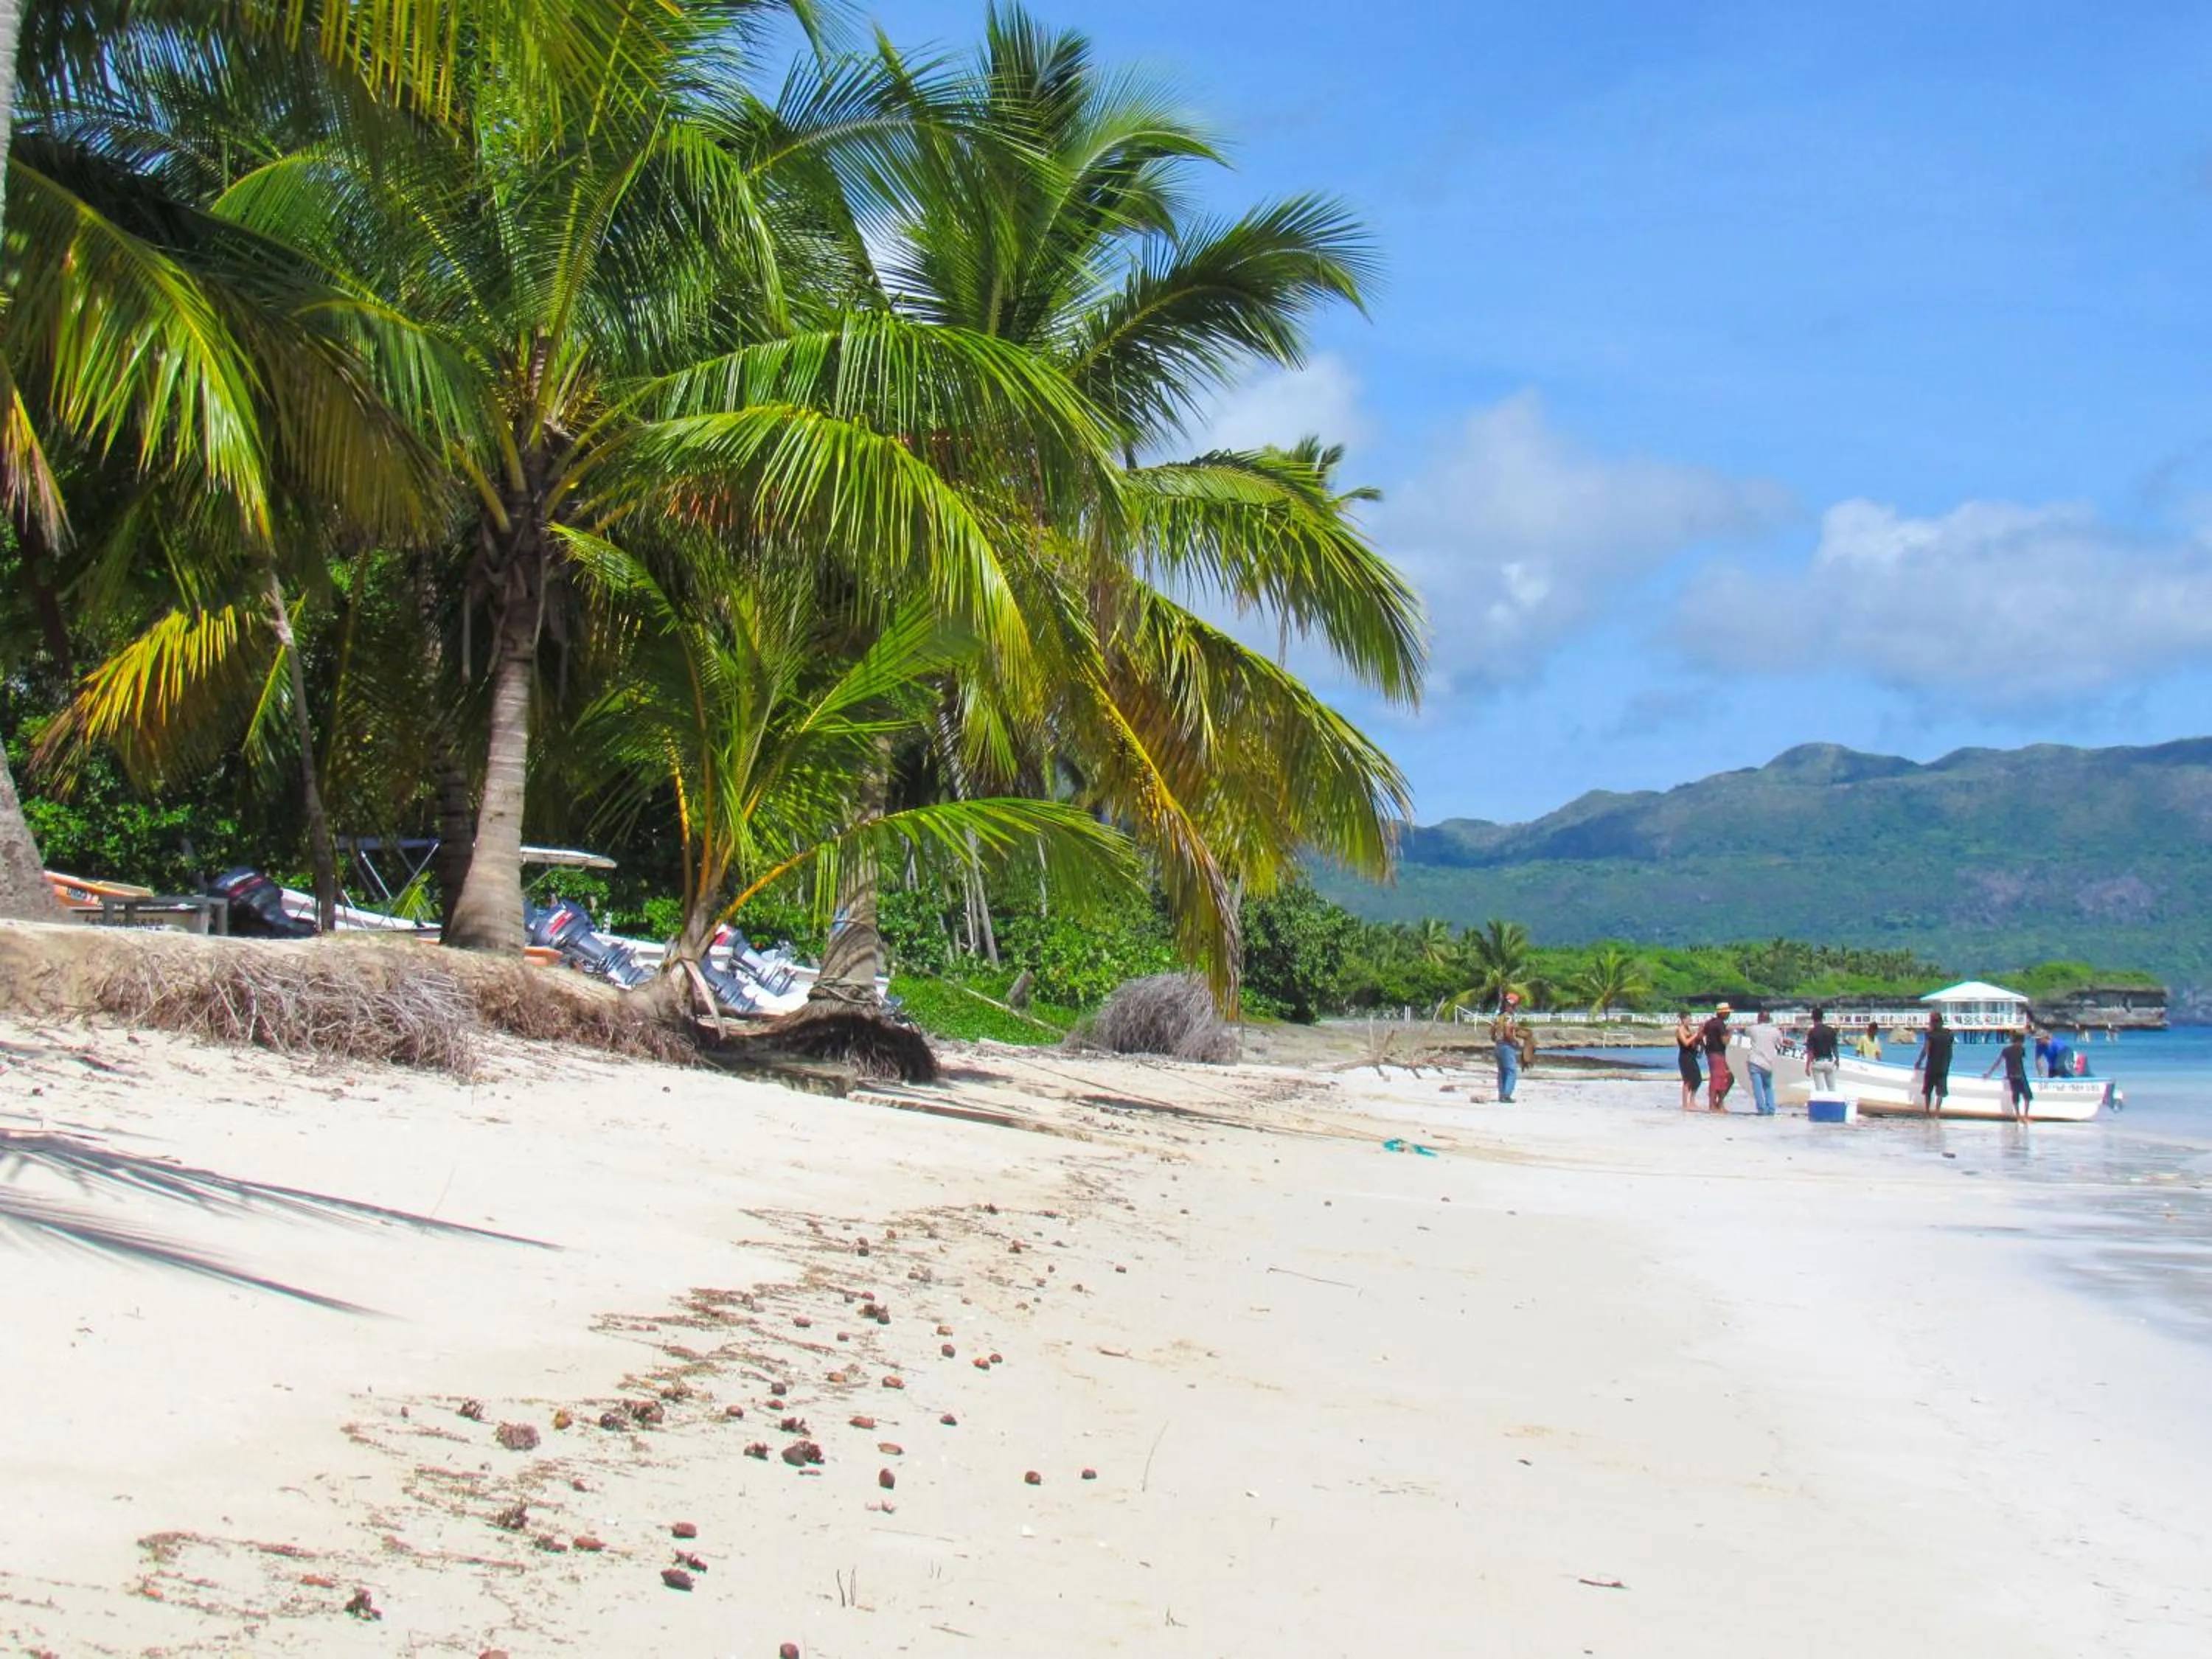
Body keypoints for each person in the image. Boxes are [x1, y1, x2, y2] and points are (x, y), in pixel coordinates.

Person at [1490, 992, 1531, 1103]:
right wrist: (1515, 1042)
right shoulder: (1508, 1017)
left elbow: (1492, 1031)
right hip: (1506, 1045)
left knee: (1502, 1071)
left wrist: (1495, 1039)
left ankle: (1502, 1094)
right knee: (1511, 1070)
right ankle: (1506, 1095)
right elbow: (1508, 1032)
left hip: (1498, 1045)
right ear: (1512, 1005)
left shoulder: (1498, 1016)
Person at [1984, 1027, 2033, 1121]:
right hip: (2020, 1074)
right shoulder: (2021, 1049)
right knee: (2027, 1096)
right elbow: (2021, 1060)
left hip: (2011, 1075)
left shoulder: (2006, 1050)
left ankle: (2018, 1116)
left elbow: (1998, 1062)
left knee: (2016, 1095)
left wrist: (1989, 1073)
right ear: (2021, 1041)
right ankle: (2026, 1116)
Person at [1913, 1009, 1955, 1114]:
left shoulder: (1930, 1034)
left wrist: (1919, 1061)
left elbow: (1926, 1050)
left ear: (1933, 1022)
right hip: (1944, 1066)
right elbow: (1951, 1052)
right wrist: (1948, 1063)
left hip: (1932, 1066)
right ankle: (1937, 1112)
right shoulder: (1949, 1034)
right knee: (1940, 1092)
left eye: (1932, 1021)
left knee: (1928, 1091)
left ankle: (1927, 1112)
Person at [1744, 1009, 1784, 1116]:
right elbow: (1781, 1043)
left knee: (1757, 1087)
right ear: (1769, 1019)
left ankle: (1762, 1109)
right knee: (1768, 1087)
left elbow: (1746, 1032)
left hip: (1755, 1061)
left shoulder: (1753, 1029)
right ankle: (1771, 1109)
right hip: (1768, 1063)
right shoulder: (1776, 1031)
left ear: (1759, 1018)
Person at [1700, 1002, 1734, 1112]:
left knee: (1720, 1078)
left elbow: (1701, 1035)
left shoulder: (1710, 1023)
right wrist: (1730, 1033)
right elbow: (1725, 1042)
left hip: (1711, 1053)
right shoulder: (1720, 1024)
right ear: (1723, 1013)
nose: (1729, 1014)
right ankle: (1716, 1105)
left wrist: (1704, 1048)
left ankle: (1717, 1103)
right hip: (1718, 1053)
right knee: (1720, 1079)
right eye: (1727, 1013)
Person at [1805, 1005, 1840, 1095]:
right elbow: (1835, 1048)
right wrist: (1837, 1060)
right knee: (1832, 1089)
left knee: (1819, 1090)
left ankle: (1821, 1105)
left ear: (1813, 1018)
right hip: (1829, 1062)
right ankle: (1833, 1106)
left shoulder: (1812, 1032)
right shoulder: (1831, 1031)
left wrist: (1807, 1066)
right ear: (1823, 1017)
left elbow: (1810, 1052)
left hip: (1818, 1062)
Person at [1673, 1009, 1703, 1111]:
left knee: (1697, 1079)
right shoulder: (1680, 1029)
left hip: (1692, 1055)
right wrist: (1695, 1035)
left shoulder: (1688, 1029)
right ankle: (1685, 1104)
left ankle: (1692, 1101)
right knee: (1688, 1080)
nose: (1690, 1021)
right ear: (1683, 1019)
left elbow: (1692, 1043)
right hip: (1684, 1056)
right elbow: (1685, 1043)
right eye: (1688, 1019)